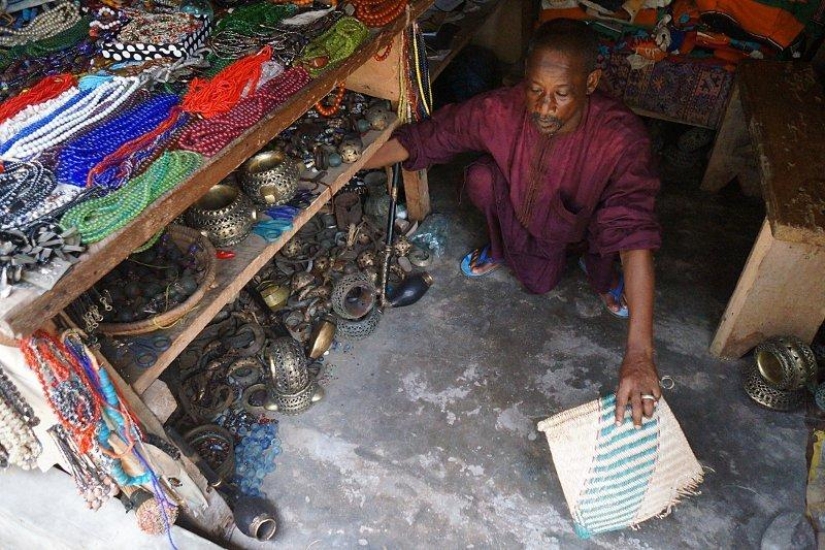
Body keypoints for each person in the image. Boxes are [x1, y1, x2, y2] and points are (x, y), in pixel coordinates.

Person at [363, 19, 662, 427]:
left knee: (616, 235)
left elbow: (635, 234)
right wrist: (347, 168)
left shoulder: (621, 138)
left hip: (589, 226)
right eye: (536, 90)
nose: (543, 107)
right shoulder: (502, 109)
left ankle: (602, 269)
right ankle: (503, 246)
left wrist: (640, 356)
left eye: (561, 95)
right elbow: (428, 138)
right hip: (529, 211)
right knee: (493, 200)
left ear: (591, 83)